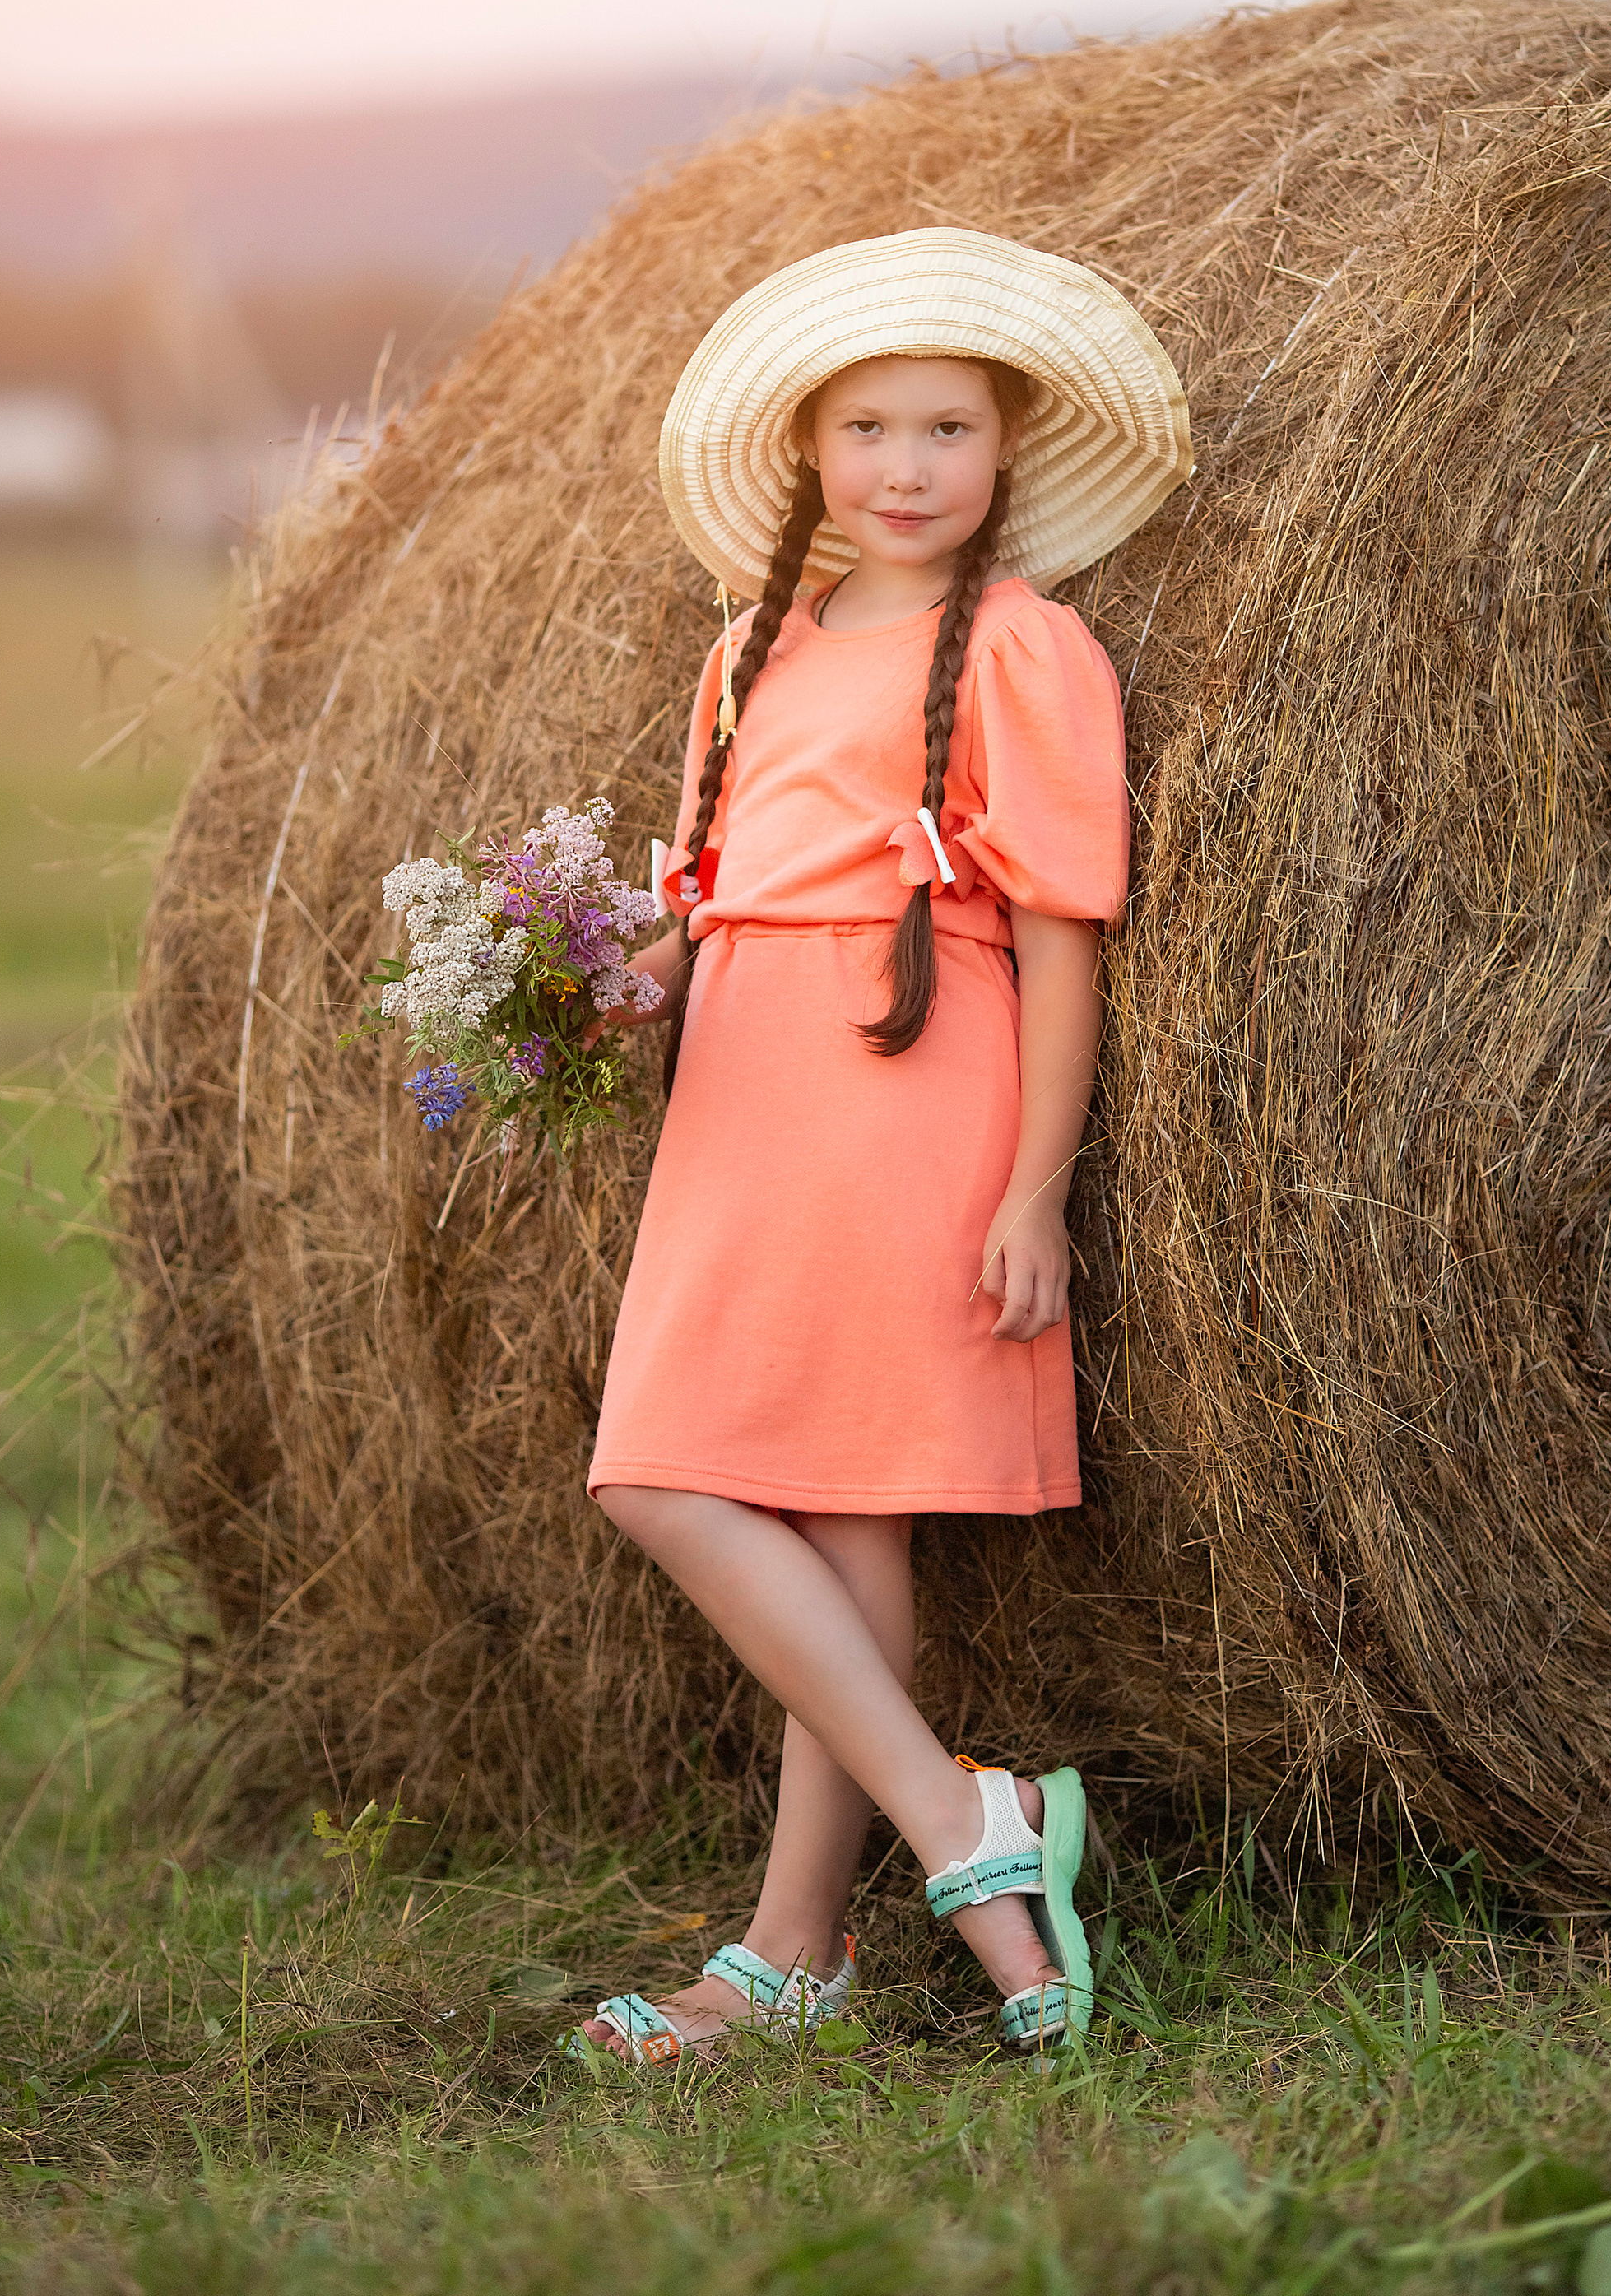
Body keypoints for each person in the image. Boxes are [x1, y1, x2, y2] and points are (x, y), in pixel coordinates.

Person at [572, 226, 1191, 2067]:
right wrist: (627, 979)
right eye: (867, 429)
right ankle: (941, 1846)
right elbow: (723, 895)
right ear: (809, 451)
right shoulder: (748, 647)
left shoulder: (1022, 646)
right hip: (743, 1092)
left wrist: (1035, 1187)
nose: (905, 468)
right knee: (705, 1482)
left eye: (946, 430)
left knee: (812, 1497)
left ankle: (803, 1944)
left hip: (909, 1077)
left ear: (1004, 452)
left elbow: (1063, 934)